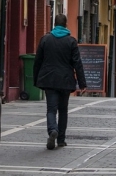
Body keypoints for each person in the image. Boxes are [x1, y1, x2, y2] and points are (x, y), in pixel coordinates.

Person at [33, 14, 87, 150]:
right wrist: (82, 83)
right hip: (65, 80)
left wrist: (36, 79)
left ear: (54, 24)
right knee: (63, 110)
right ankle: (61, 139)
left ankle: (52, 130)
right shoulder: (71, 41)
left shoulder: (45, 39)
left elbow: (37, 61)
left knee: (51, 109)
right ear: (66, 25)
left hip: (49, 80)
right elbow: (77, 63)